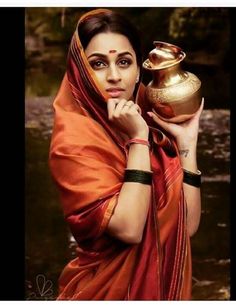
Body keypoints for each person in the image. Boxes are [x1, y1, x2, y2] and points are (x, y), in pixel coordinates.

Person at [49, 8, 204, 300]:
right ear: (80, 73)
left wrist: (186, 142)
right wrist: (138, 140)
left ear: (138, 71)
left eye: (124, 61)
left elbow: (188, 225)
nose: (114, 76)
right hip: (104, 290)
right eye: (98, 64)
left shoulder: (149, 119)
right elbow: (130, 228)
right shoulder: (72, 142)